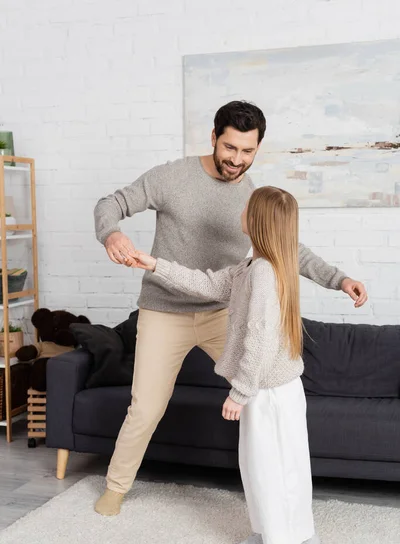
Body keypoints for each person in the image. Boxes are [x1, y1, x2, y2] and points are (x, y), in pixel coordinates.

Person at [93, 101, 368, 518]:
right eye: (230, 148)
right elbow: (110, 204)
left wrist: (338, 279)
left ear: (258, 148)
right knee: (146, 407)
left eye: (247, 151)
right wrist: (111, 234)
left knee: (260, 391)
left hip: (223, 312)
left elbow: (287, 246)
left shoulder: (250, 193)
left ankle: (275, 499)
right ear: (213, 138)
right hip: (164, 310)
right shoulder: (172, 177)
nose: (237, 160)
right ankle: (115, 488)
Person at [128, 185, 320, 544]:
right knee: (257, 465)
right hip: (262, 389)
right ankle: (267, 533)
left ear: (258, 220)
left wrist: (240, 391)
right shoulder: (251, 266)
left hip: (273, 390)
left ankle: (304, 539)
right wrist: (155, 265)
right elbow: (209, 284)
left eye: (247, 206)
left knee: (284, 466)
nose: (241, 209)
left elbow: (260, 339)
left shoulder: (266, 272)